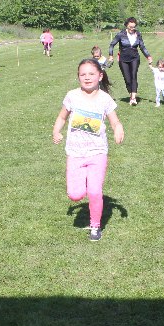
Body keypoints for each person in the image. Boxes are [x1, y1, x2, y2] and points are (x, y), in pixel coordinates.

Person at [52, 58, 124, 242]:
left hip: (97, 152)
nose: (87, 77)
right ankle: (84, 181)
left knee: (94, 191)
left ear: (100, 76)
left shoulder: (105, 99)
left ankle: (95, 226)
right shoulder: (72, 96)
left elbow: (115, 121)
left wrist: (118, 129)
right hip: (75, 153)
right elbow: (62, 117)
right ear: (78, 77)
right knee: (75, 195)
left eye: (91, 74)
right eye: (83, 74)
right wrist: (56, 131)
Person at [108, 17, 152, 106]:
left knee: (133, 76)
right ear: (126, 25)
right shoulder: (121, 34)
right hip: (123, 59)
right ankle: (131, 95)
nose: (132, 29)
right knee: (127, 79)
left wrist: (148, 56)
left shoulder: (138, 34)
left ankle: (133, 98)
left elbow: (142, 46)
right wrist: (111, 55)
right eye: (130, 27)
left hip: (135, 58)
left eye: (134, 27)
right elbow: (112, 45)